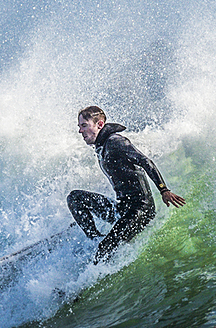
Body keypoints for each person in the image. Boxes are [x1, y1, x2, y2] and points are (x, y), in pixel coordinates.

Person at [68, 105, 186, 263]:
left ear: (100, 125)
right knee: (75, 197)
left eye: (84, 125)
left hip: (140, 209)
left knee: (105, 249)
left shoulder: (116, 141)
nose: (80, 131)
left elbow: (145, 161)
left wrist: (164, 190)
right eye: (79, 126)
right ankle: (95, 238)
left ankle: (93, 271)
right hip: (122, 208)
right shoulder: (101, 145)